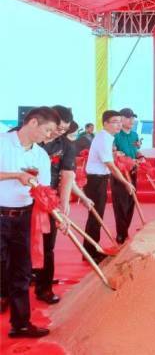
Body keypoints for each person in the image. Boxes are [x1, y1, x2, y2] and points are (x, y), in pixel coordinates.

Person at [0, 106, 59, 338]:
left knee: (22, 271)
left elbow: (44, 191)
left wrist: (57, 216)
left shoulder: (40, 155)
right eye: (48, 130)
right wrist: (16, 175)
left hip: (24, 218)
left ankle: (21, 324)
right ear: (33, 122)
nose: (49, 135)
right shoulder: (3, 142)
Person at [33, 106, 76, 305]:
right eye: (58, 128)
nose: (59, 133)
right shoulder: (26, 136)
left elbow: (67, 174)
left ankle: (44, 288)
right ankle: (5, 291)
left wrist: (63, 204)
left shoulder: (66, 145)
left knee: (47, 246)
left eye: (64, 130)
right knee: (13, 246)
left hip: (48, 201)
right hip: (20, 199)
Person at [83, 110, 136, 262]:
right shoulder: (103, 139)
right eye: (114, 122)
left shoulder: (107, 137)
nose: (118, 125)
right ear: (105, 123)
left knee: (97, 216)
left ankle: (92, 249)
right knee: (95, 216)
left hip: (100, 179)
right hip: (96, 181)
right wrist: (126, 182)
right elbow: (111, 166)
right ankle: (91, 252)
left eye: (119, 121)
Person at [111, 108, 142, 244]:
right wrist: (117, 154)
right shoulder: (115, 136)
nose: (131, 120)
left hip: (133, 172)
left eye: (132, 118)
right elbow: (112, 153)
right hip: (120, 174)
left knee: (130, 203)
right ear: (121, 119)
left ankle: (125, 231)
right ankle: (121, 234)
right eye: (128, 117)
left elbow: (137, 151)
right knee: (121, 204)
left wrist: (141, 157)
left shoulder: (134, 135)